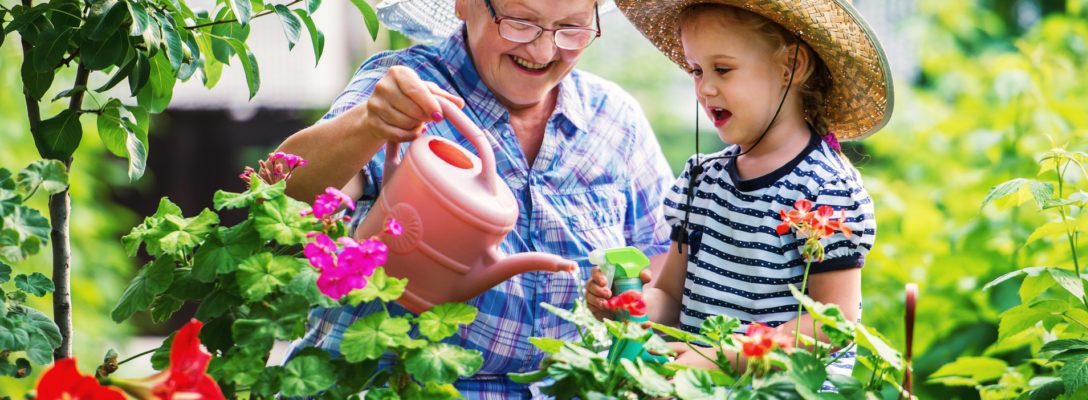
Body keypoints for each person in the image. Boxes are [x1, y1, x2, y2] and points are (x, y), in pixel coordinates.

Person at [273, 0, 675, 397]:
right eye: (520, 21)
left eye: (571, 28)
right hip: (390, 387)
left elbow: (659, 273)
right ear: (464, 4)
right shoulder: (408, 89)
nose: (543, 50)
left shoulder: (613, 119)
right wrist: (368, 124)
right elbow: (286, 196)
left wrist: (625, 303)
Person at [586, 0, 893, 384]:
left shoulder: (826, 191)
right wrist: (628, 308)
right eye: (696, 70)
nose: (705, 87)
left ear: (791, 68)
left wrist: (727, 357)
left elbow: (831, 325)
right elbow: (670, 296)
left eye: (723, 69)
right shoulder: (701, 180)